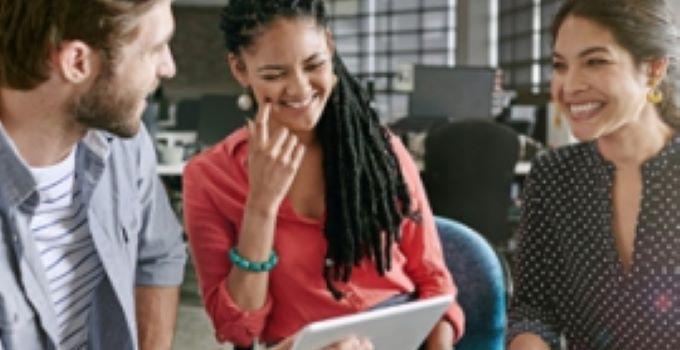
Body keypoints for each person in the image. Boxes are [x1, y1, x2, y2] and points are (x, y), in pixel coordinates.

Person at [182, 1, 465, 349]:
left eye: (313, 64)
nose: (300, 89)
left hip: (403, 334)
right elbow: (239, 330)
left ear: (330, 45)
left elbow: (434, 282)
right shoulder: (209, 176)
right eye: (274, 74)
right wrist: (261, 206)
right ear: (240, 69)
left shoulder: (379, 149)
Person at [0, 0, 187, 349]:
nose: (169, 67)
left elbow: (159, 255)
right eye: (156, 48)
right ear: (77, 62)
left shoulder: (124, 144)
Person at [507, 0, 680, 349]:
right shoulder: (553, 174)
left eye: (595, 61)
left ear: (653, 70)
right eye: (560, 65)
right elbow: (534, 306)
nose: (569, 86)